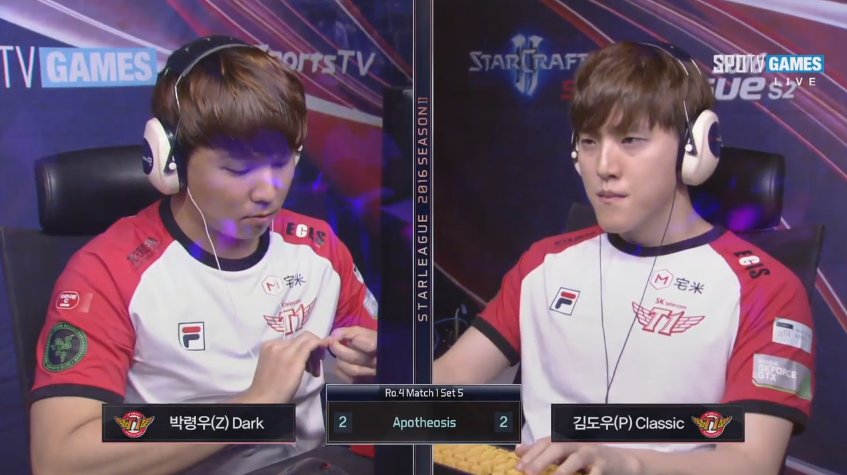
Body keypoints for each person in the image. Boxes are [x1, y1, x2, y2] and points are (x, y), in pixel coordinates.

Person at [434, 41, 815, 475]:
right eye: (589, 142)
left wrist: (624, 462)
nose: (604, 166)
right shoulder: (545, 264)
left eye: (631, 140)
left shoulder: (768, 291)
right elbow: (451, 377)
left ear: (694, 149)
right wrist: (387, 384)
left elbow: (751, 463)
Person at [30, 35, 379, 475]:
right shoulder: (107, 273)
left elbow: (381, 406)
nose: (268, 191)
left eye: (282, 161)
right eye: (238, 169)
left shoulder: (318, 248)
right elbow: (60, 458)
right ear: (170, 161)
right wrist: (249, 410)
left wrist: (381, 368)